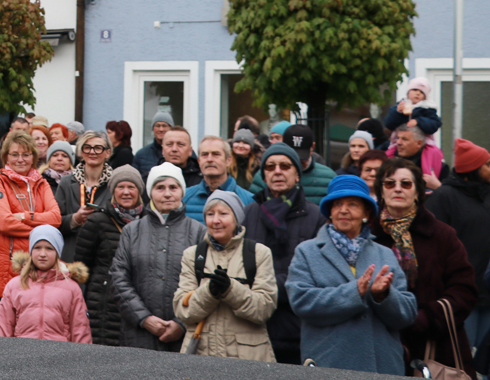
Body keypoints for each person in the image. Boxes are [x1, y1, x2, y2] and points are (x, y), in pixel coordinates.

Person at [286, 174, 417, 374]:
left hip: (381, 367)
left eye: (353, 204)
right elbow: (301, 301)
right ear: (330, 210)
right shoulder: (307, 251)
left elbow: (407, 313)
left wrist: (383, 296)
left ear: (366, 212)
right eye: (337, 204)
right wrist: (354, 292)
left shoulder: (385, 254)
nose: (344, 210)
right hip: (328, 365)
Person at [370, 157, 477, 375]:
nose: (397, 189)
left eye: (406, 184)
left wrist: (426, 318)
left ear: (418, 192)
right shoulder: (368, 236)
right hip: (379, 343)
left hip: (435, 347)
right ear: (381, 192)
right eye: (390, 183)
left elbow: (463, 289)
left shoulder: (443, 235)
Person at [242, 143, 326, 365]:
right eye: (270, 167)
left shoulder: (315, 216)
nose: (277, 171)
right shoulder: (250, 212)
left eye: (285, 166)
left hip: (296, 329)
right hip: (254, 326)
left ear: (297, 174)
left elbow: (315, 273)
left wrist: (266, 288)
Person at [110, 162, 207, 351]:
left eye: (173, 187)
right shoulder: (132, 231)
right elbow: (118, 278)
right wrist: (144, 318)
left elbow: (205, 284)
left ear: (182, 190)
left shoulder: (198, 232)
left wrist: (181, 323)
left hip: (185, 336)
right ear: (150, 192)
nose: (167, 193)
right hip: (138, 334)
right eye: (160, 187)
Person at [173, 190, 277, 361]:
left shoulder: (259, 253)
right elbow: (183, 310)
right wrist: (209, 292)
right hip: (201, 356)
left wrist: (231, 289)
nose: (216, 220)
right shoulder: (192, 255)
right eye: (210, 214)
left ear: (236, 218)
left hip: (248, 358)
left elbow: (264, 309)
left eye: (223, 213)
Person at [0, 130, 61, 319]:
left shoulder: (41, 184)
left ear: (33, 156)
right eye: (15, 154)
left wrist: (24, 216)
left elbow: (56, 218)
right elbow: (3, 223)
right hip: (6, 267)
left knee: (35, 331)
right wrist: (42, 231)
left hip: (39, 268)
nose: (21, 159)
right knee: (4, 335)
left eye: (26, 154)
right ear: (6, 157)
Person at [426, 138, 490, 352]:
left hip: (488, 293)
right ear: (472, 168)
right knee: (463, 358)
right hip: (461, 294)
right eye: (487, 165)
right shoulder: (444, 196)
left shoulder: (488, 194)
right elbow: (433, 244)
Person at [74, 165, 145, 346]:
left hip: (139, 302)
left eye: (132, 187)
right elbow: (82, 267)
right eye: (121, 187)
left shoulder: (149, 222)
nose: (126, 192)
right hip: (103, 304)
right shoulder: (97, 221)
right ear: (113, 191)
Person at [0, 225, 92, 344]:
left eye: (49, 248)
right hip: (21, 353)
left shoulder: (71, 288)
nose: (42, 254)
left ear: (57, 252)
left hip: (59, 355)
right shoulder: (14, 286)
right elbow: (3, 326)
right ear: (31, 251)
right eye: (37, 248)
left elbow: (80, 328)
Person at [54, 131, 112, 261]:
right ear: (81, 151)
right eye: (87, 147)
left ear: (107, 153)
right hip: (71, 255)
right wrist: (75, 219)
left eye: (98, 148)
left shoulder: (114, 184)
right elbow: (55, 221)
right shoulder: (67, 182)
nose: (92, 152)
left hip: (102, 256)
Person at [250, 124, 335, 205]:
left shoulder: (328, 178)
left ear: (312, 147)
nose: (297, 162)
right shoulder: (264, 175)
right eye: (292, 158)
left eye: (302, 158)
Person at [183, 137, 254, 223]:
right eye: (204, 155)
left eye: (216, 154)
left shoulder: (248, 201)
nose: (209, 159)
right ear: (199, 161)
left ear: (228, 160)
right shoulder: (184, 198)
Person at [0, 116, 29, 206]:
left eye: (24, 130)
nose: (21, 133)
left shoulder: (31, 154)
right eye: (18, 129)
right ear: (10, 130)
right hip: (2, 203)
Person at [389, 125, 449, 191]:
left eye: (404, 139)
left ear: (419, 143)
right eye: (398, 138)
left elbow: (452, 198)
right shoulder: (388, 162)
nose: (398, 142)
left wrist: (437, 186)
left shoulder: (439, 167)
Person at [132, 112, 173, 180]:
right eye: (157, 126)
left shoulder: (181, 152)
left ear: (171, 128)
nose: (161, 129)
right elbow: (134, 180)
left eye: (164, 126)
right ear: (153, 129)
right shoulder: (141, 155)